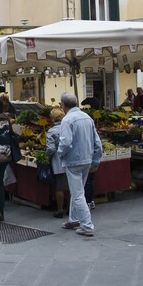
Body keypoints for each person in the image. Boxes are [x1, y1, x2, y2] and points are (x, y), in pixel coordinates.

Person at [56, 92, 102, 237]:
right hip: (87, 159)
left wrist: (60, 154)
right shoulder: (87, 117)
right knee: (77, 190)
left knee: (77, 194)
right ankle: (74, 219)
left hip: (73, 161)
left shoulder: (67, 120)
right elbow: (97, 143)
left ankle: (87, 226)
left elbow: (65, 142)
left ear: (62, 105)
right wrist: (96, 160)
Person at [45, 107, 69, 219]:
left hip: (58, 161)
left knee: (59, 187)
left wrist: (46, 157)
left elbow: (50, 149)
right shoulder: (68, 127)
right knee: (70, 186)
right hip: (70, 160)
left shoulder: (52, 131)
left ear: (53, 118)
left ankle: (59, 209)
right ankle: (70, 208)